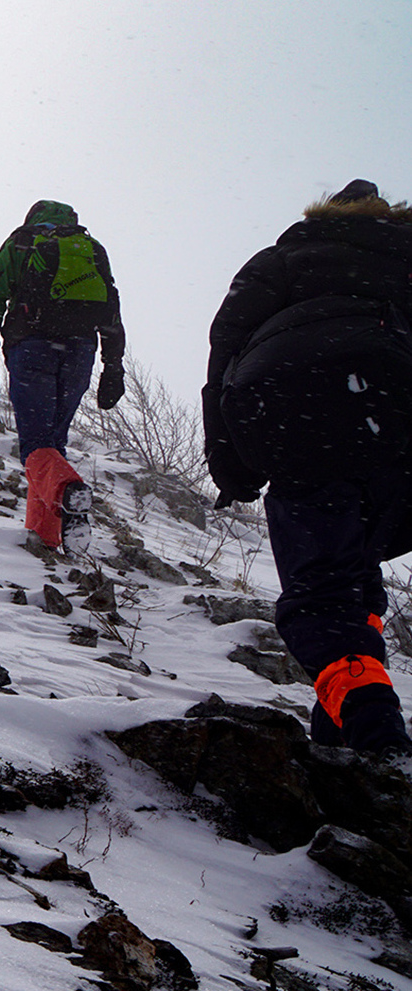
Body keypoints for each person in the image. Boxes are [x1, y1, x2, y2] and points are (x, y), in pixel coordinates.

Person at [204, 179, 412, 756]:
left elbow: (227, 342)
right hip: (396, 409)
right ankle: (343, 749)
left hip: (299, 407)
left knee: (322, 591)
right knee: (355, 576)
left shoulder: (288, 254)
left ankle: (373, 732)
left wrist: (228, 456)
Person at [0, 199, 126, 555]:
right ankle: (46, 536)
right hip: (80, 351)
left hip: (33, 345)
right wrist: (113, 365)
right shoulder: (91, 248)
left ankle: (69, 491)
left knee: (35, 445)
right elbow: (112, 308)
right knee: (53, 443)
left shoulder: (21, 242)